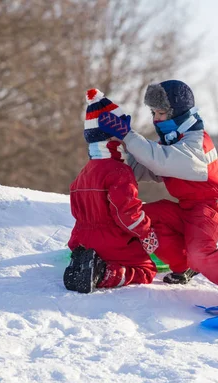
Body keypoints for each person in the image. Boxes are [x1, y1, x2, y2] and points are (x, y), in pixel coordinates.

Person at [96, 80, 218, 315]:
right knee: (146, 219)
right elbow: (148, 166)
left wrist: (129, 136)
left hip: (211, 208)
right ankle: (184, 268)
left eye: (161, 112)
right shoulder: (173, 144)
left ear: (178, 113)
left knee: (200, 252)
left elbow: (161, 160)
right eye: (153, 112)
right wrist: (112, 153)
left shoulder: (196, 143)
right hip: (187, 209)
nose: (156, 119)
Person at [64, 88, 160, 294]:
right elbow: (126, 213)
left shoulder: (85, 172)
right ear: (114, 138)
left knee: (100, 249)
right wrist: (145, 233)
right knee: (147, 269)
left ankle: (84, 261)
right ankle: (104, 273)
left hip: (82, 239)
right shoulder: (119, 171)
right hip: (112, 242)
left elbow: (77, 210)